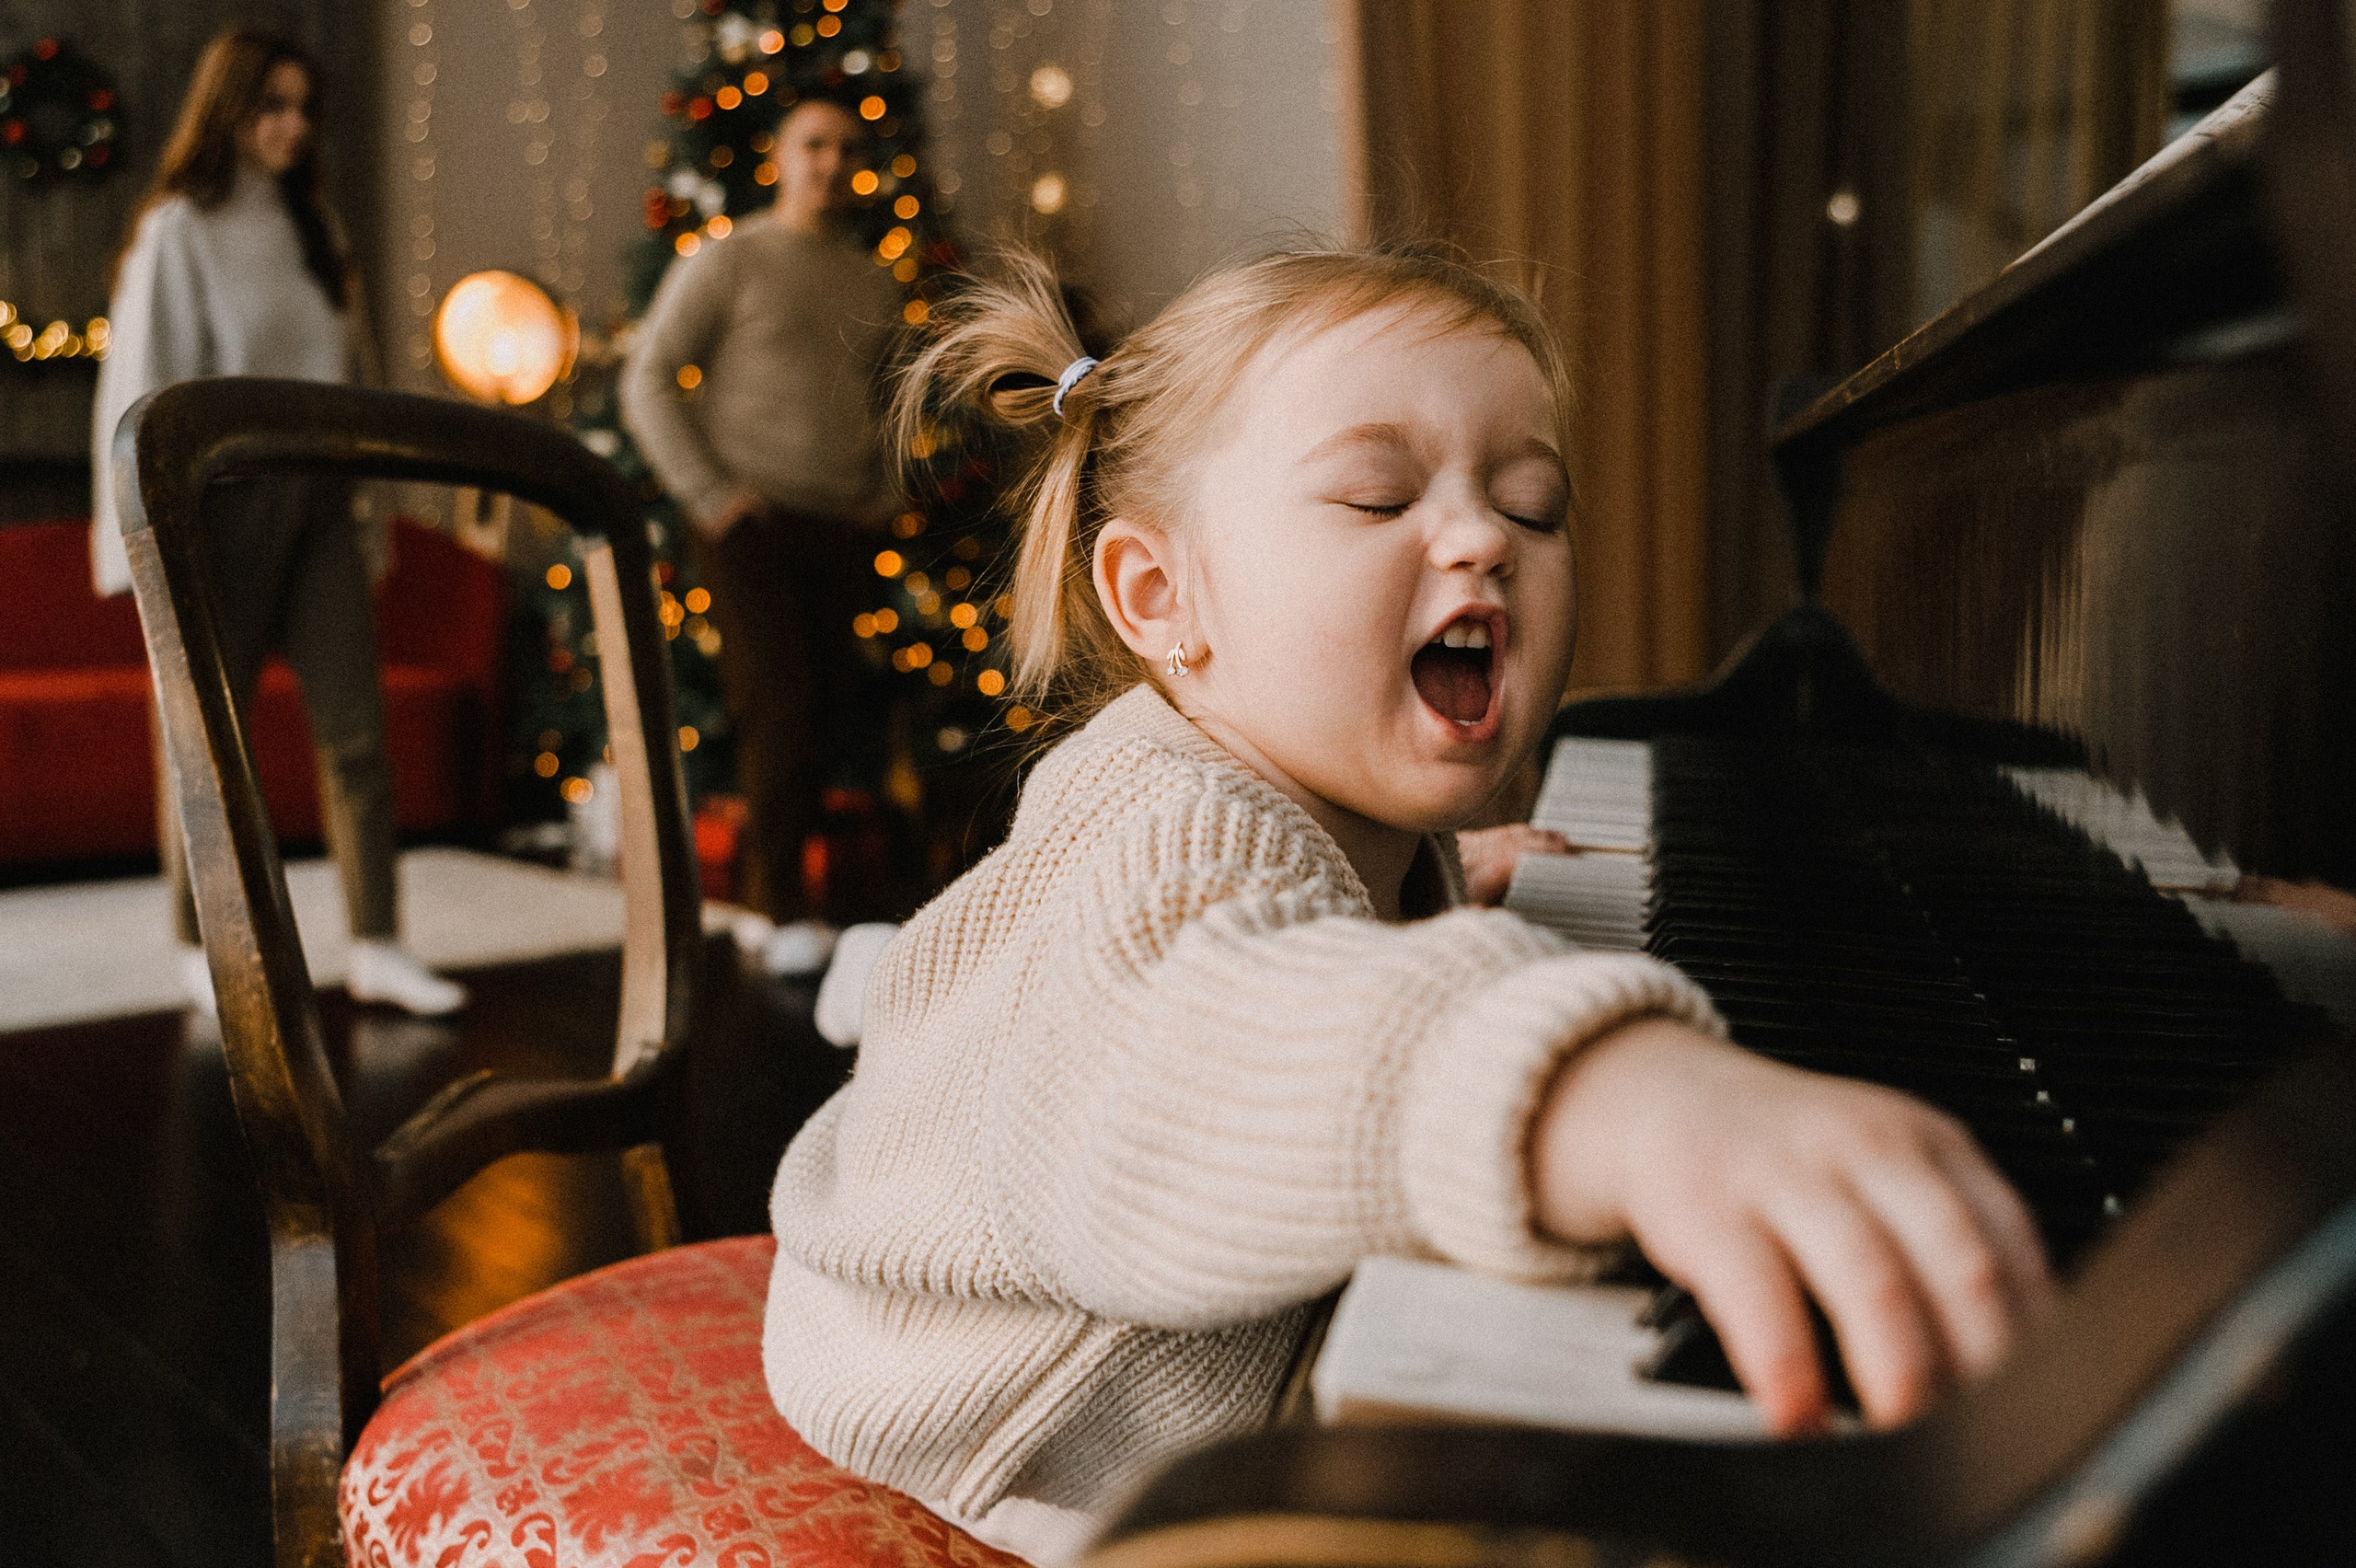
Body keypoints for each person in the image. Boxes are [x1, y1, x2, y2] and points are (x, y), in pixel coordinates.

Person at [761, 246, 2056, 1564]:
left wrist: (1435, 891)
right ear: (1163, 599)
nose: (1486, 537)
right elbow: (1215, 1046)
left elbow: (1274, 936)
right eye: (1378, 499)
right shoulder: (1164, 825)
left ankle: (886, 991)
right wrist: (1607, 1091)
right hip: (1010, 1440)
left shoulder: (1313, 801)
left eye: (1536, 506)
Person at [91, 29, 464, 1018]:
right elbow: (139, 394)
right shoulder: (181, 227)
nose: (293, 127)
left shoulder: (318, 232)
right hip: (220, 509)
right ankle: (203, 949)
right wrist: (140, 544)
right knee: (209, 742)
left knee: (357, 737)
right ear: (228, 109)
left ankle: (378, 942)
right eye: (273, 106)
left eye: (306, 107)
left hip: (324, 504)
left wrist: (374, 513)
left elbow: (358, 381)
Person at [620, 91, 905, 975]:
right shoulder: (732, 259)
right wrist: (709, 492)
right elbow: (648, 379)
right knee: (777, 699)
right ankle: (775, 904)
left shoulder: (872, 279)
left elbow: (895, 400)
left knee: (822, 706)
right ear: (781, 156)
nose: (830, 161)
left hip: (842, 525)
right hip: (751, 524)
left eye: (847, 147)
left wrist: (883, 497)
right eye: (813, 143)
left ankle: (777, 900)